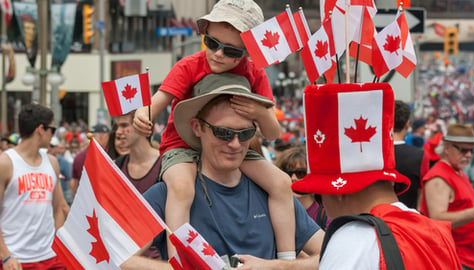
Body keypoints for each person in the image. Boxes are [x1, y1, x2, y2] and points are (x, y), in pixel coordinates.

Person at [133, 0, 295, 260]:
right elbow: (157, 101)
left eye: (231, 51)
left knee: (281, 182)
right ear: (204, 34)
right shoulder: (189, 65)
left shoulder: (255, 73)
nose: (218, 54)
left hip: (230, 145)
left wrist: (261, 113)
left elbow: (273, 133)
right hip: (181, 146)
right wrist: (142, 114)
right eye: (212, 43)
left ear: (248, 51)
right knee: (182, 188)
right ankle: (181, 261)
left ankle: (287, 257)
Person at [241, 83, 461, 269]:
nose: (323, 207)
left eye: (319, 196)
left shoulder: (353, 238)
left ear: (338, 193)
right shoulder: (436, 233)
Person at [121, 73, 323, 269]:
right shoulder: (166, 195)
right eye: (223, 133)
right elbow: (118, 256)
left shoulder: (272, 192)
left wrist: (276, 267)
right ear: (197, 128)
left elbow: (330, 253)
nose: (235, 144)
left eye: (245, 134)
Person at [0, 103, 69, 269]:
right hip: (15, 259)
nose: (52, 135)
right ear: (40, 129)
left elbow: (58, 208)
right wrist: (6, 255)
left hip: (50, 257)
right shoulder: (6, 163)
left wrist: (57, 244)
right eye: (52, 129)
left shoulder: (52, 163)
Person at [420, 123, 474, 270]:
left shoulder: (457, 171)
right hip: (453, 259)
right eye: (464, 150)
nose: (469, 155)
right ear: (447, 148)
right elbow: (437, 219)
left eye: (472, 150)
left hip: (465, 259)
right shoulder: (439, 178)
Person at [114, 111, 162, 259]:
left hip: (159, 260)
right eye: (117, 127)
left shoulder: (166, 164)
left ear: (142, 126)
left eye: (124, 126)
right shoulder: (117, 166)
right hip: (125, 257)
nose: (118, 132)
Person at [274, 144, 326, 226]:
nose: (293, 178)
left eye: (301, 173)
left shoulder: (326, 215)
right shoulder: (274, 211)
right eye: (288, 173)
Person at [393, 100, 430, 209]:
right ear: (407, 124)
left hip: (376, 219)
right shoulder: (420, 155)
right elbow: (421, 194)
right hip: (408, 217)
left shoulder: (376, 153)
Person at [71, 124, 110, 196]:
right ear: (102, 135)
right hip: (102, 200)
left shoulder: (78, 157)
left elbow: (73, 183)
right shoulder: (107, 155)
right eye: (108, 136)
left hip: (83, 199)